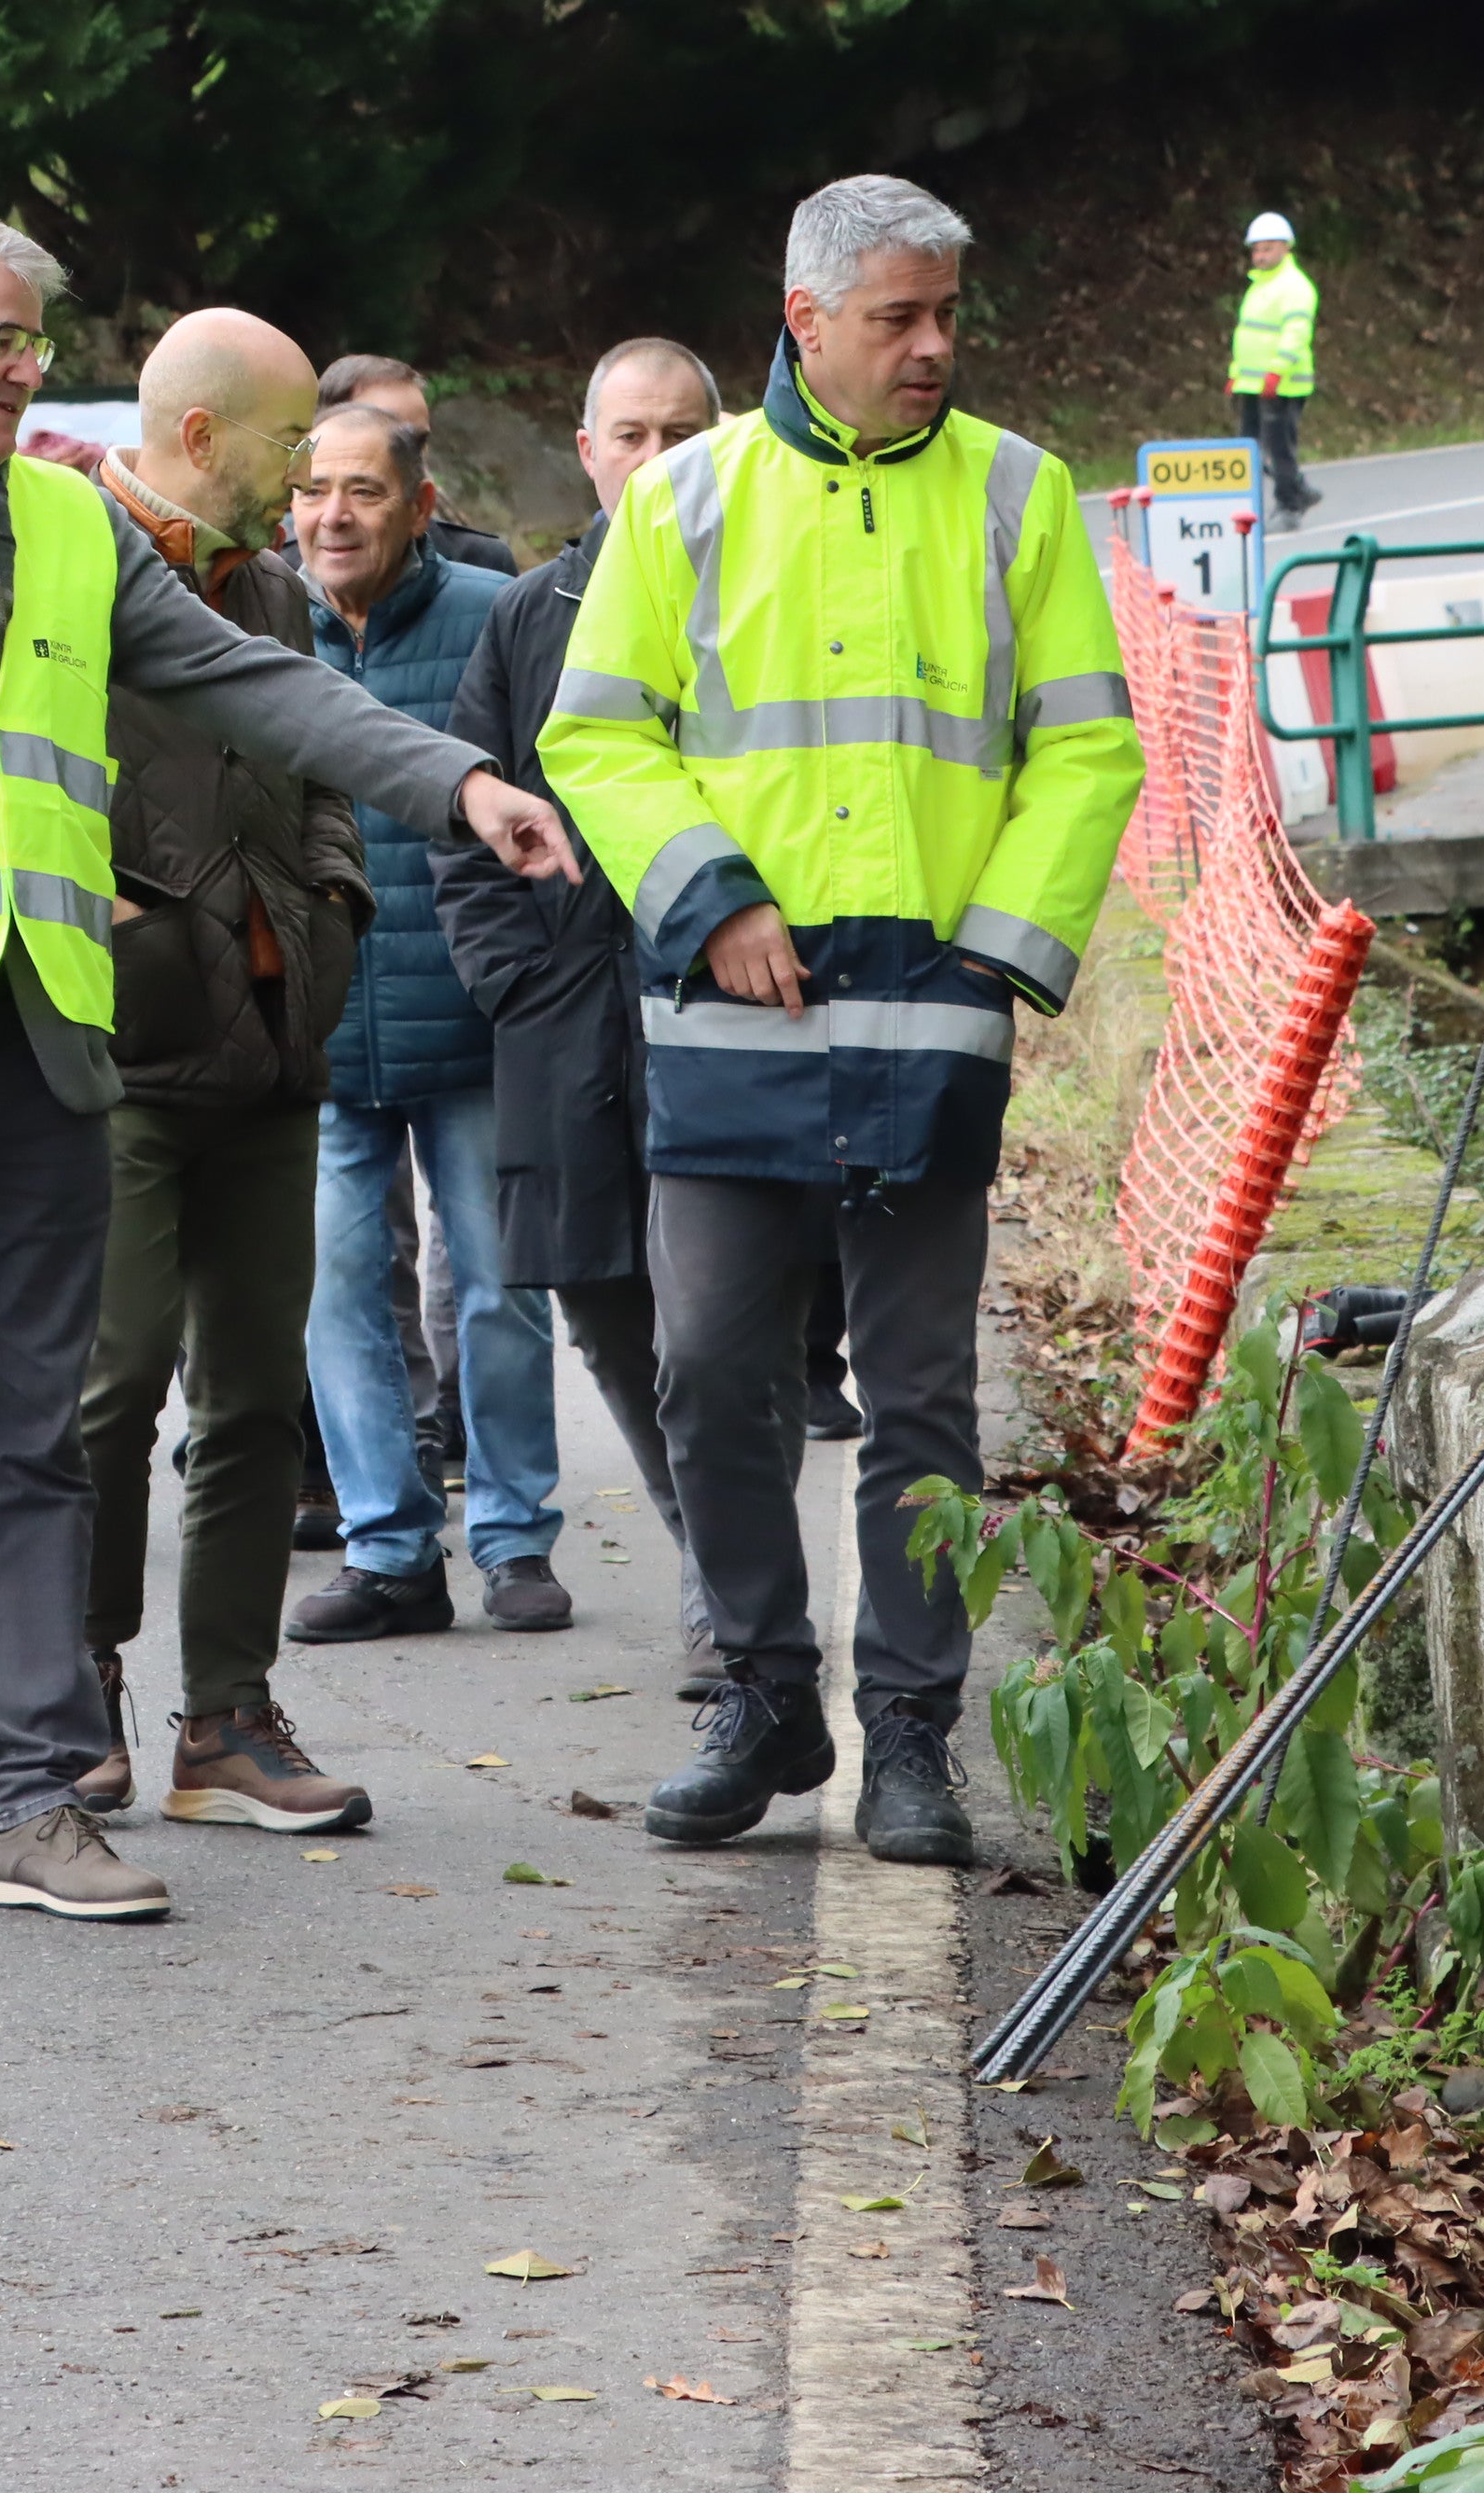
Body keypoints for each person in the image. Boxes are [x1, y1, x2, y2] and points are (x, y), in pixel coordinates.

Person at [0, 203, 577, 1923]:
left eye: (25, 342)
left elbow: (252, 683)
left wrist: (456, 784)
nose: (23, 370)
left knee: (39, 1445)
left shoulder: (71, 526)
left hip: (49, 1051)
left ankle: (28, 1798)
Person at [541, 174, 1143, 1867]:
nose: (935, 346)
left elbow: (1088, 746)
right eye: (901, 317)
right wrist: (710, 895)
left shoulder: (1020, 493)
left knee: (925, 1406)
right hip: (733, 998)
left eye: (949, 314)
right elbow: (596, 738)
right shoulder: (685, 505)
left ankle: (912, 1739)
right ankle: (767, 1697)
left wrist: (996, 954)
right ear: (806, 322)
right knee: (714, 1376)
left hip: (932, 1009)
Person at [68, 308, 381, 1837]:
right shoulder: (61, 568)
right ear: (200, 436)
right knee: (108, 1389)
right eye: (285, 442)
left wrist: (332, 911)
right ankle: (74, 1694)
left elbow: (324, 774)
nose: (310, 475)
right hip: (122, 1058)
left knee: (256, 1397)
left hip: (274, 1048)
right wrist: (118, 931)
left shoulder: (272, 590)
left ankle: (228, 1721)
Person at [437, 336, 721, 1700]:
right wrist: (519, 982)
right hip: (566, 1034)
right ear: (588, 449)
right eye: (630, 435)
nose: (654, 460)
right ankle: (712, 1562)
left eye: (681, 433)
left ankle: (730, 1602)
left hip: (725, 1020)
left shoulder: (759, 604)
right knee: (608, 1318)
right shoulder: (527, 614)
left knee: (719, 1328)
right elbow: (466, 827)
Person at [283, 402, 572, 1645]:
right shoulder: (255, 629)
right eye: (311, 492)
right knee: (340, 1291)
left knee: (499, 1289)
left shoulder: (489, 618)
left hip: (472, 1023)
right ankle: (390, 1548)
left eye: (361, 490)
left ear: (420, 502)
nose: (332, 515)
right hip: (320, 1031)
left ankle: (513, 1539)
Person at [315, 353, 517, 576]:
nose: (410, 457)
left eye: (418, 441)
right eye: (390, 440)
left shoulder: (482, 563)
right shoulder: (278, 570)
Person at [1232, 211, 1322, 525]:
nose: (1260, 255)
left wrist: (1276, 372)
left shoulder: (1295, 287)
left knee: (1278, 449)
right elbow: (1247, 335)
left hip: (1283, 385)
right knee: (1248, 451)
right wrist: (1236, 374)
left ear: (1286, 248)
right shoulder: (1258, 286)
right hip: (1253, 384)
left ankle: (1289, 506)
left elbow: (1295, 335)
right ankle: (1293, 491)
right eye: (1256, 249)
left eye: (1268, 248)